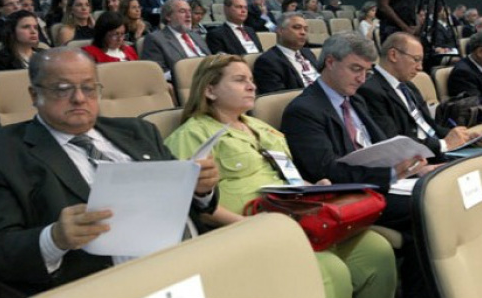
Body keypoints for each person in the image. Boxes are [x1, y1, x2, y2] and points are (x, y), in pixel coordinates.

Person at [0, 47, 219, 294]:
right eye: (62, 89)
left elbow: (192, 207)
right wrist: (54, 238)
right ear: (33, 94)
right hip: (105, 281)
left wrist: (200, 190)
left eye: (88, 88)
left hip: (190, 262)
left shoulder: (139, 131)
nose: (79, 98)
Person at [165, 54, 397, 298]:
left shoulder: (263, 128)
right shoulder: (192, 134)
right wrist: (249, 226)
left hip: (300, 217)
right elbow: (190, 205)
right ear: (210, 90)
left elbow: (288, 177)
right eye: (239, 80)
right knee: (330, 271)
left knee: (377, 251)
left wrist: (314, 187)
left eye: (252, 79)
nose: (252, 86)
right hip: (247, 231)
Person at [280, 32, 429, 298]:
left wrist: (410, 164)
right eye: (355, 69)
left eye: (367, 71)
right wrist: (389, 173)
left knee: (434, 200)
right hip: (350, 194)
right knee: (428, 209)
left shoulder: (356, 99)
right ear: (330, 62)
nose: (361, 78)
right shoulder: (304, 110)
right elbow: (324, 170)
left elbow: (383, 144)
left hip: (386, 183)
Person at [358, 32, 473, 161]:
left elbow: (429, 127)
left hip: (436, 151)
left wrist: (465, 137)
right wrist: (443, 144)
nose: (420, 67)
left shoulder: (408, 86)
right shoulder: (370, 90)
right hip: (417, 161)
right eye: (416, 59)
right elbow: (393, 140)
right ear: (393, 55)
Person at [142, 0, 210, 81]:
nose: (189, 15)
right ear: (168, 16)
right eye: (182, 11)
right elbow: (159, 73)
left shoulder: (196, 36)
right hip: (187, 83)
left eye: (189, 11)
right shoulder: (155, 39)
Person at [253, 12, 318, 94]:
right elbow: (279, 99)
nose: (303, 32)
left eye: (305, 29)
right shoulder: (267, 62)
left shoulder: (308, 53)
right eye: (297, 27)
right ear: (280, 31)